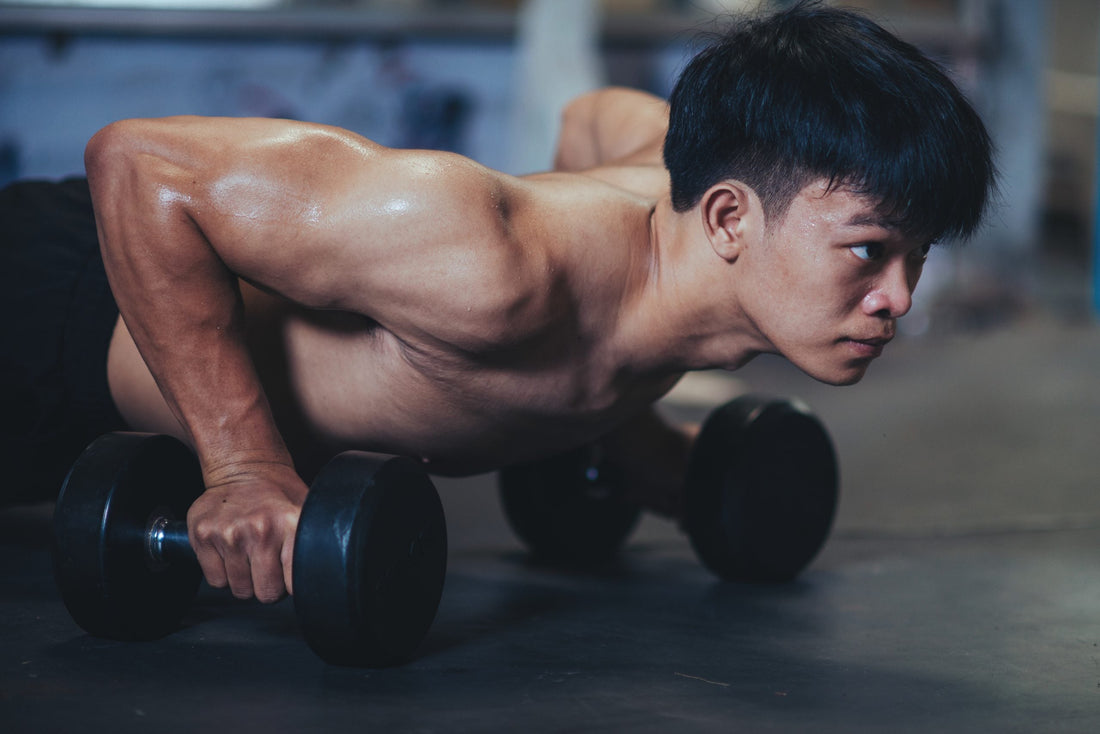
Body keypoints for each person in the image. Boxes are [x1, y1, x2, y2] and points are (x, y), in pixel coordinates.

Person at [1, 1, 994, 605]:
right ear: (730, 218)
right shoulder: (487, 261)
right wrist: (243, 464)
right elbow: (136, 163)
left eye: (913, 255)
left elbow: (595, 116)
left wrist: (626, 442)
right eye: (868, 251)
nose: (897, 297)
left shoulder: (689, 222)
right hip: (49, 301)